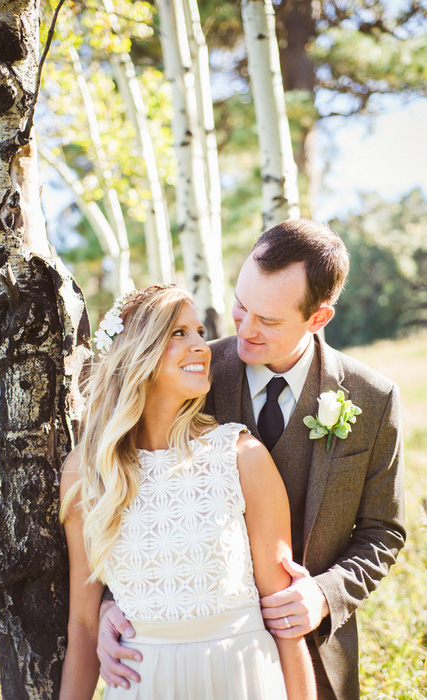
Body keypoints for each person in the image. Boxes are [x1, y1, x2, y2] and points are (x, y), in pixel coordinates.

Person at [98, 220, 405, 700]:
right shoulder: (192, 372)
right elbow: (135, 488)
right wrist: (111, 604)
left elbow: (383, 530)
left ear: (318, 318)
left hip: (317, 654)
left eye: (269, 319)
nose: (244, 326)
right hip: (207, 660)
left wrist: (324, 594)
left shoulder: (373, 398)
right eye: (241, 304)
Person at [59, 285, 317, 700]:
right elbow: (85, 624)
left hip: (244, 678)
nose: (202, 345)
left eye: (199, 332)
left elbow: (284, 620)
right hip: (143, 685)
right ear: (136, 352)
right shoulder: (86, 472)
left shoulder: (241, 457)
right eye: (179, 333)